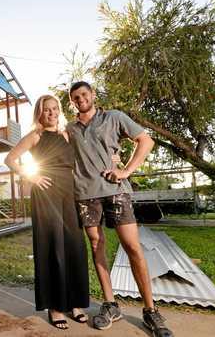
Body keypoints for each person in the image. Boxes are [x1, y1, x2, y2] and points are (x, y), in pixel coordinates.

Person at [66, 81, 174, 337]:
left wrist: (126, 170)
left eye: (83, 94)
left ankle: (150, 310)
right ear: (72, 103)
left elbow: (145, 141)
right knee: (96, 245)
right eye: (75, 97)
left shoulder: (114, 118)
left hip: (116, 191)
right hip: (85, 196)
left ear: (93, 95)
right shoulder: (69, 129)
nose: (80, 99)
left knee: (133, 248)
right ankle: (110, 304)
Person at [5, 94, 89, 330]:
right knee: (52, 245)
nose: (51, 113)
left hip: (69, 192)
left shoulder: (67, 134)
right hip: (46, 193)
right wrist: (31, 175)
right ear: (39, 113)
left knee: (74, 245)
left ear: (59, 111)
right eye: (46, 110)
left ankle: (75, 303)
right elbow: (10, 159)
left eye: (54, 109)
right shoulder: (36, 136)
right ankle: (54, 306)